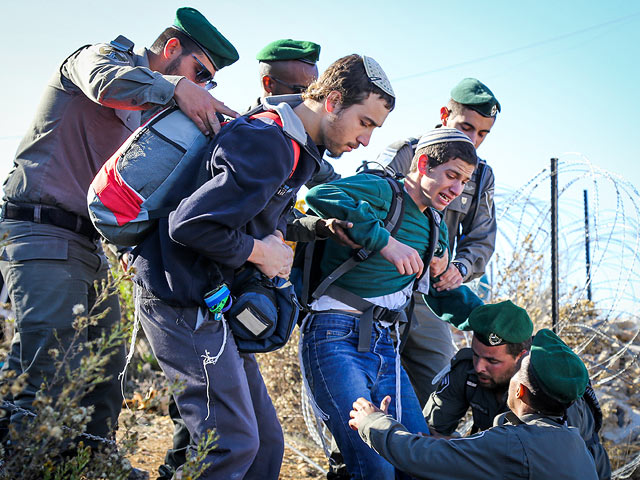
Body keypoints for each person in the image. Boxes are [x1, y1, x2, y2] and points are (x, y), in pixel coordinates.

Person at [132, 54, 395, 480]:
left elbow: (247, 212)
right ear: (332, 102)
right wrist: (260, 252)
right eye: (365, 122)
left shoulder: (290, 145)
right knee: (230, 444)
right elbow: (190, 225)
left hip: (211, 300)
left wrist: (318, 228)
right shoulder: (269, 142)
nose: (366, 140)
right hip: (178, 296)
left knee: (265, 447)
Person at [0, 5, 238, 457]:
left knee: (104, 371)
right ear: (171, 49)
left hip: (89, 246)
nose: (201, 86)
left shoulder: (155, 109)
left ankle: (94, 461)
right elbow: (108, 84)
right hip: (41, 231)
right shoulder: (97, 59)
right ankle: (23, 464)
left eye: (207, 81)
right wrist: (178, 88)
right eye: (199, 73)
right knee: (52, 367)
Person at [302, 128, 478, 480]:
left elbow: (438, 290)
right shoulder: (384, 190)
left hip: (386, 344)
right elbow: (322, 194)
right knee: (373, 466)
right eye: (452, 176)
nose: (457, 190)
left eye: (465, 182)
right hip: (335, 335)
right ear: (424, 164)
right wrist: (385, 242)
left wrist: (490, 320)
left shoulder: (436, 227)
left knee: (414, 459)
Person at [378, 78, 501, 406]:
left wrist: (458, 268)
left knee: (436, 387)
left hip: (430, 295)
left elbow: (481, 239)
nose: (473, 140)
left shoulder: (482, 175)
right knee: (370, 379)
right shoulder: (409, 150)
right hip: (380, 281)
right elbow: (368, 200)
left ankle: (416, 455)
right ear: (445, 113)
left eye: (482, 134)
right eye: (466, 127)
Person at [349, 328, 599, 480]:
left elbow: (421, 458)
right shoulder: (573, 440)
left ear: (519, 390)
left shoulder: (514, 442)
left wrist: (373, 422)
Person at [425, 301, 611, 479]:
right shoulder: (467, 371)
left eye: (492, 361)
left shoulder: (551, 391)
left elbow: (541, 460)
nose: (479, 366)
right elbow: (431, 433)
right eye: (476, 354)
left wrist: (458, 450)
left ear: (522, 357)